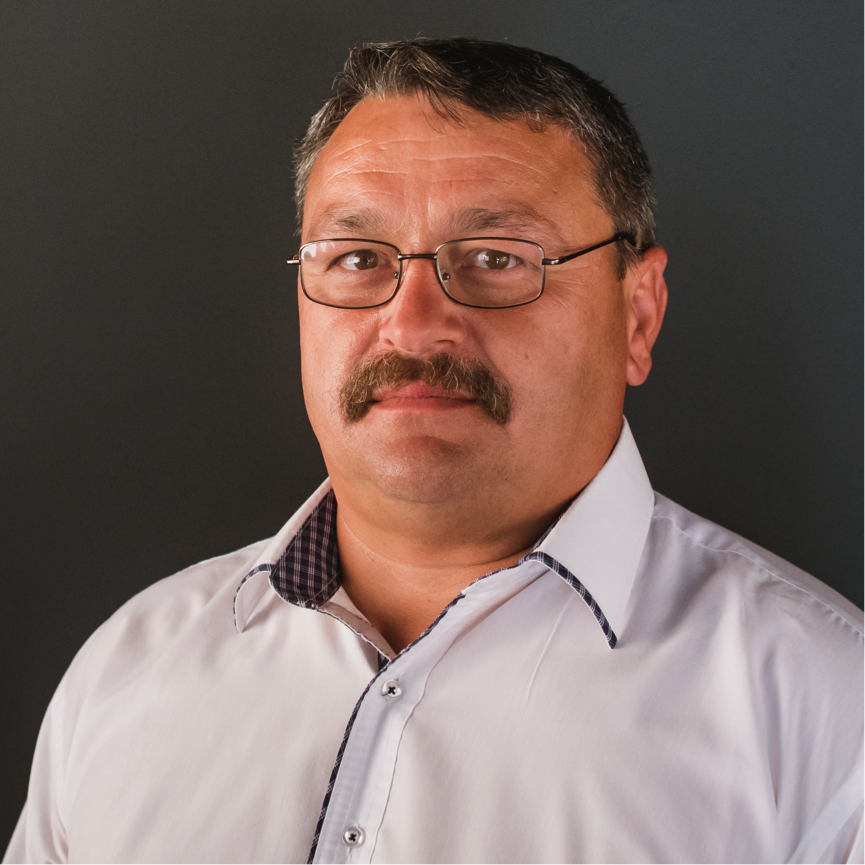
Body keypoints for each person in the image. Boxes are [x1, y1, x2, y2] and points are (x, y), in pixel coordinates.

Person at [5, 37, 863, 865]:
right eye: (356, 258)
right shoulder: (128, 667)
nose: (412, 326)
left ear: (637, 315)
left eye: (496, 257)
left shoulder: (827, 712)